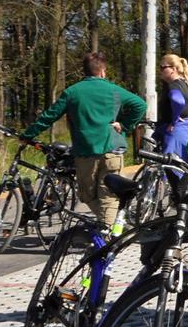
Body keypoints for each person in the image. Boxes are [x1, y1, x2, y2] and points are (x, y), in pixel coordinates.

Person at [23, 52, 146, 227]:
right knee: (108, 195)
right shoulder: (113, 90)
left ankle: (107, 231)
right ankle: (112, 227)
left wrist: (27, 135)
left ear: (85, 71)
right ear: (102, 71)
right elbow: (140, 105)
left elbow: (49, 116)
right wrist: (125, 125)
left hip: (85, 152)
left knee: (87, 195)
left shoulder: (72, 92)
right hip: (112, 149)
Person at [156, 54, 188, 160]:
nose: (160, 71)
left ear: (173, 69)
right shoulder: (187, 84)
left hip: (176, 134)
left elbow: (178, 101)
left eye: (162, 67)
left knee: (170, 166)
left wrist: (174, 120)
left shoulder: (173, 85)